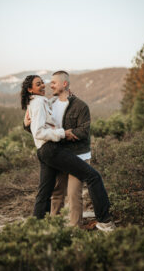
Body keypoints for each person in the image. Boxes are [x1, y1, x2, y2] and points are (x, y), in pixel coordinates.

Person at [21, 75, 116, 232]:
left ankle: (37, 231)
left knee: (44, 192)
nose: (45, 86)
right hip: (51, 150)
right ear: (30, 89)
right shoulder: (40, 102)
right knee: (93, 177)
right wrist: (63, 133)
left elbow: (42, 125)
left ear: (64, 84)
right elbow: (37, 131)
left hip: (45, 151)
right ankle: (105, 222)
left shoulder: (72, 104)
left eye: (48, 83)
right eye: (39, 84)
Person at [24, 70, 91, 227]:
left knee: (74, 194)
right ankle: (55, 228)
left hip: (78, 155)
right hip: (58, 154)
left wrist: (67, 134)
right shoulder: (49, 103)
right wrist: (26, 124)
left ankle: (76, 229)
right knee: (57, 193)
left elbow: (84, 131)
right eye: (48, 82)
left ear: (64, 84)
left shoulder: (80, 106)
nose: (49, 85)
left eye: (53, 82)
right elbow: (38, 129)